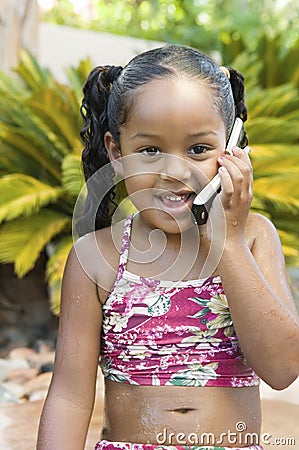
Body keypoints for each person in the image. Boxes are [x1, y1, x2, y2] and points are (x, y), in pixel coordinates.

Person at [37, 45, 299, 450]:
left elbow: (282, 369)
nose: (174, 171)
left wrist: (227, 241)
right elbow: (70, 396)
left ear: (232, 150)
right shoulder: (98, 258)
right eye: (150, 150)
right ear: (116, 152)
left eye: (198, 149)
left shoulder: (252, 238)